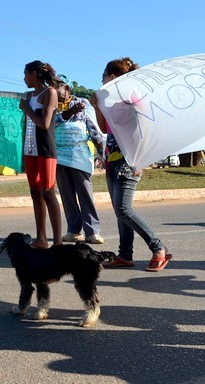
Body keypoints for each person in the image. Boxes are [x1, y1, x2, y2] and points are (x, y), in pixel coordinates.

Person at [92, 57, 172, 272]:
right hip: (112, 161)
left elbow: (145, 130)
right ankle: (125, 255)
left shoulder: (134, 100)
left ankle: (158, 248)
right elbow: (106, 129)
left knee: (124, 210)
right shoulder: (111, 102)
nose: (102, 80)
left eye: (105, 76)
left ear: (114, 77)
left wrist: (142, 160)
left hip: (130, 162)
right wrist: (98, 107)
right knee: (120, 211)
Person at [19, 60, 62, 249]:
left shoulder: (50, 93)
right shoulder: (29, 95)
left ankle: (58, 242)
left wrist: (27, 109)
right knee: (35, 192)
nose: (24, 78)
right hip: (30, 149)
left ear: (34, 74)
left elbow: (44, 124)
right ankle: (41, 238)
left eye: (25, 74)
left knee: (48, 192)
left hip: (45, 149)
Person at [54, 81, 105, 244]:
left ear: (67, 88)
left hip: (79, 156)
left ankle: (93, 231)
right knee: (67, 195)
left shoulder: (83, 104)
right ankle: (74, 230)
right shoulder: (51, 105)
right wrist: (68, 113)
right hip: (60, 157)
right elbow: (50, 124)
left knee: (85, 193)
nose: (54, 92)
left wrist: (102, 153)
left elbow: (94, 129)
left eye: (57, 88)